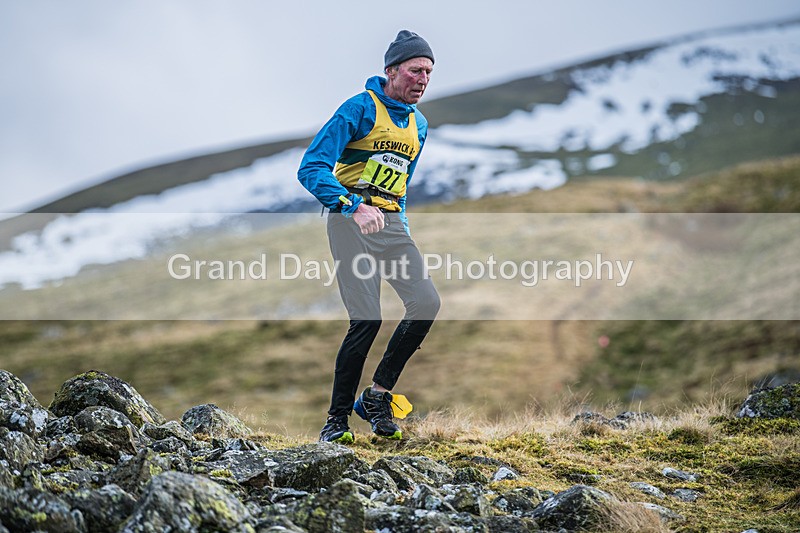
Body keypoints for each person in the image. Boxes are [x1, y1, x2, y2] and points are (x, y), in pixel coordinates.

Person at [297, 30, 440, 443]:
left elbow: (402, 185)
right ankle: (336, 422)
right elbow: (311, 168)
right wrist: (351, 206)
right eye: (415, 70)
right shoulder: (359, 109)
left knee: (426, 302)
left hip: (391, 225)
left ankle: (377, 397)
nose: (423, 79)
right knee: (367, 319)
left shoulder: (420, 125)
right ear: (392, 70)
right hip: (350, 221)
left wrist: (401, 228)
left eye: (429, 72)